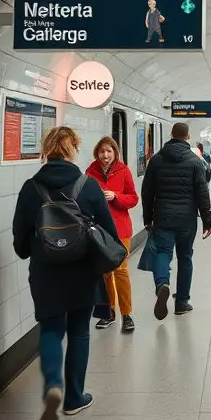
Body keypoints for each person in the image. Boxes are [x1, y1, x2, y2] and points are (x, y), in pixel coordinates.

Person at [12, 126, 119, 420]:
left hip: (46, 272)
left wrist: (30, 249)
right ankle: (74, 398)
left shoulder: (31, 187)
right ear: (73, 149)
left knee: (51, 330)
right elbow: (109, 233)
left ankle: (52, 388)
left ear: (47, 150)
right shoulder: (89, 186)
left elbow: (21, 239)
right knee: (80, 332)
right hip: (83, 270)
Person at [141, 122, 211, 319]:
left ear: (171, 134)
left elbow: (147, 192)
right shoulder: (195, 161)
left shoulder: (156, 160)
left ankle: (162, 284)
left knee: (163, 253)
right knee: (185, 257)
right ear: (188, 137)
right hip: (187, 219)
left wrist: (148, 218)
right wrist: (207, 221)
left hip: (163, 216)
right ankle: (181, 302)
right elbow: (202, 193)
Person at [85, 136, 139, 334]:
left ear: (115, 152)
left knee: (121, 270)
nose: (105, 155)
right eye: (102, 152)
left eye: (109, 151)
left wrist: (116, 197)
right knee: (105, 272)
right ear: (96, 153)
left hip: (120, 229)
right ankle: (109, 312)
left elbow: (133, 198)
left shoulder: (124, 171)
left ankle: (127, 314)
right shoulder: (90, 173)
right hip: (99, 230)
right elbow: (83, 199)